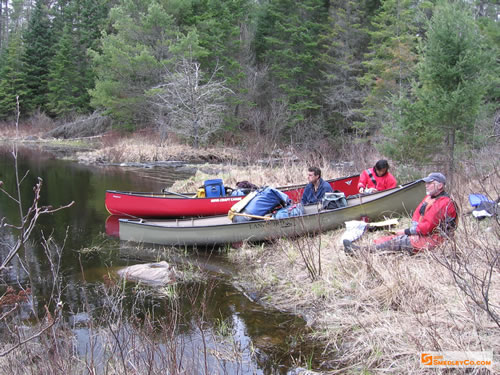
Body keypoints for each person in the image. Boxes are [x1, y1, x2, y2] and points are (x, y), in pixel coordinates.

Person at [345, 172, 458, 254]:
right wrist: (412, 229)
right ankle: (365, 247)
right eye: (426, 183)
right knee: (390, 237)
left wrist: (407, 231)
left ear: (440, 186)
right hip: (424, 234)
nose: (426, 185)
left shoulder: (444, 202)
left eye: (430, 183)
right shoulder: (430, 197)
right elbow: (417, 214)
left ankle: (360, 252)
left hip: (434, 239)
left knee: (398, 241)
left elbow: (427, 228)